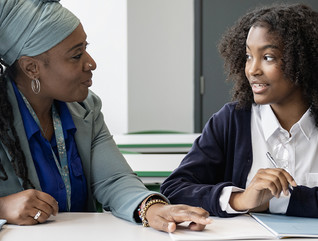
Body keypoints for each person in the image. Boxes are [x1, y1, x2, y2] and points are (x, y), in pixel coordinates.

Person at [0, 0, 212, 232]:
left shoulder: (86, 108)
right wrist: (1, 208)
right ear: (32, 68)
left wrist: (150, 208)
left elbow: (114, 179)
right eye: (76, 55)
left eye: (86, 48)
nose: (91, 63)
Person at [161, 3, 318, 218]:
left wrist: (273, 202)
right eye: (248, 56)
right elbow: (175, 188)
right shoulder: (231, 120)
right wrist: (241, 199)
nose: (252, 69)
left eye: (268, 57)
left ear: (303, 62)